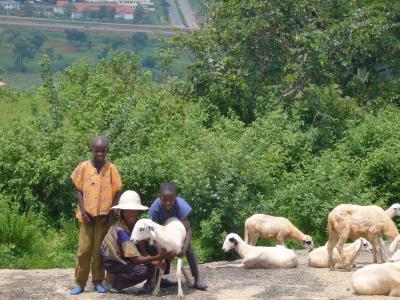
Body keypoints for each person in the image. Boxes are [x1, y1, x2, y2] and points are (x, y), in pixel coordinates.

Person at [70, 136, 122, 295]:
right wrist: (84, 211)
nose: (100, 153)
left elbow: (117, 189)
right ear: (92, 150)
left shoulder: (111, 168)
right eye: (97, 150)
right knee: (84, 250)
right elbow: (79, 189)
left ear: (107, 151)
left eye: (103, 151)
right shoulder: (84, 167)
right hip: (87, 217)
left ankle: (98, 280)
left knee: (100, 250)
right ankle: (80, 282)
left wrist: (111, 212)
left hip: (104, 217)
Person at [101, 190, 174, 294]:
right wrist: (158, 258)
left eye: (134, 211)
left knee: (154, 245)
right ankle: (114, 282)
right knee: (143, 271)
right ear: (122, 212)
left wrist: (156, 259)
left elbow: (142, 244)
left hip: (128, 255)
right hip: (114, 261)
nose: (131, 214)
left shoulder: (137, 224)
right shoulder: (121, 231)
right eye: (127, 211)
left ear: (138, 212)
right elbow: (136, 259)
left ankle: (154, 280)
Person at [149, 183, 208, 290]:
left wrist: (184, 248)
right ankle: (156, 279)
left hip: (178, 234)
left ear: (175, 198)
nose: (168, 203)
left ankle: (197, 278)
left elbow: (188, 229)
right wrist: (159, 249)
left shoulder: (180, 206)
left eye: (171, 200)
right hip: (162, 233)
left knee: (189, 248)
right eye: (164, 200)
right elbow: (154, 231)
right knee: (154, 248)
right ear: (159, 197)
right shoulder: (155, 208)